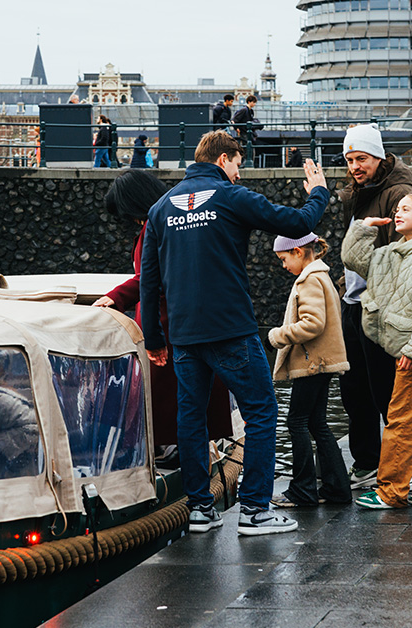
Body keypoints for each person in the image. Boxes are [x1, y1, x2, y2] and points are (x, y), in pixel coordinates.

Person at [139, 130, 328, 536]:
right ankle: (256, 510)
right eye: (238, 164)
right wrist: (319, 192)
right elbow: (298, 223)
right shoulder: (229, 196)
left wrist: (153, 338)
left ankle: (200, 510)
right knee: (261, 411)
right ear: (223, 159)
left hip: (184, 336)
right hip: (230, 329)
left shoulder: (160, 208)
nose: (240, 173)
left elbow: (149, 281)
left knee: (191, 418)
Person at [93, 170, 234, 460]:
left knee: (162, 392)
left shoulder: (154, 227)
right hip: (176, 319)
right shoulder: (166, 222)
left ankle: (168, 447)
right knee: (176, 393)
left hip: (164, 322)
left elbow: (150, 278)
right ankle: (179, 448)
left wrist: (116, 296)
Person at [341, 192, 412, 509]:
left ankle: (391, 491)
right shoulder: (396, 254)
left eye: (406, 209)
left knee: (401, 423)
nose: (397, 213)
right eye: (397, 209)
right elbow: (354, 261)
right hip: (403, 352)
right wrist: (364, 228)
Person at [336, 123, 412, 491]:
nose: (355, 166)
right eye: (349, 159)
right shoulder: (360, 192)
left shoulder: (398, 193)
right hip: (353, 303)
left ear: (380, 157)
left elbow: (405, 254)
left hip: (380, 309)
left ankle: (407, 470)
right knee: (355, 393)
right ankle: (367, 464)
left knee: (386, 393)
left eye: (362, 158)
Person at [267, 232, 352, 508]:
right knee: (317, 423)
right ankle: (337, 488)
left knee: (297, 422)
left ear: (298, 252)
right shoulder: (320, 275)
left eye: (284, 259)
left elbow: (313, 324)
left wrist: (277, 336)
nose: (283, 266)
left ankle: (302, 490)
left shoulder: (310, 280)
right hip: (320, 362)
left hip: (312, 363)